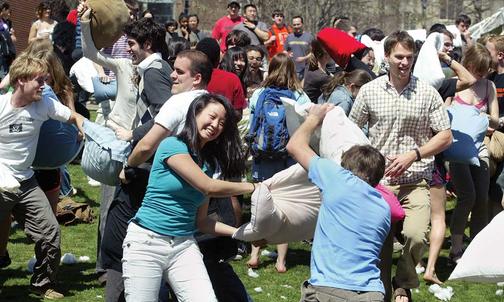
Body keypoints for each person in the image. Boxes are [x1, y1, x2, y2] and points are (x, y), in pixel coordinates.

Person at [349, 31, 452, 302]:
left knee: (417, 235)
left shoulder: (427, 92)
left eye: (409, 57)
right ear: (387, 57)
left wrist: (414, 154)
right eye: (399, 57)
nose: (404, 62)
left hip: (415, 179)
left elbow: (445, 135)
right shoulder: (370, 91)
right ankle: (380, 289)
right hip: (377, 183)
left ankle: (403, 281)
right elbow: (352, 129)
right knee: (379, 242)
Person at [122, 93, 253, 301]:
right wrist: (254, 187)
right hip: (147, 242)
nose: (215, 125)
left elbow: (202, 222)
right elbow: (207, 187)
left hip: (183, 245)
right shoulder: (172, 145)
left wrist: (239, 233)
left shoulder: (207, 165)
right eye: (212, 116)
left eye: (222, 123)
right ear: (196, 113)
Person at [0, 54, 85, 300]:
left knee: (50, 232)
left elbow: (73, 116)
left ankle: (42, 284)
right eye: (39, 80)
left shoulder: (44, 105)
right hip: (1, 182)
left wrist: (83, 127)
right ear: (21, 81)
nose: (44, 85)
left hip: (26, 183)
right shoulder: (2, 107)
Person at [287, 103, 390, 302]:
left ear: (344, 167)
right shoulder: (383, 207)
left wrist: (314, 118)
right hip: (371, 293)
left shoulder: (338, 179)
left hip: (329, 290)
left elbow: (294, 146)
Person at [246, 52, 311, 273]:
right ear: (293, 70)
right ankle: (281, 261)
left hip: (263, 157)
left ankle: (254, 254)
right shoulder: (298, 95)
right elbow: (308, 122)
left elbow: (251, 124)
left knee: (259, 203)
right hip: (287, 156)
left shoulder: (260, 93)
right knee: (284, 205)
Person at [446, 43, 499, 264]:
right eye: (479, 70)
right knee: (467, 197)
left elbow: (495, 119)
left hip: (480, 148)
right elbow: (441, 113)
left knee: (481, 200)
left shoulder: (489, 86)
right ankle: (455, 249)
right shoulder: (454, 84)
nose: (482, 75)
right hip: (457, 149)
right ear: (468, 64)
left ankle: (477, 250)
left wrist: (485, 119)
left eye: (486, 71)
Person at [486, 35, 504, 219]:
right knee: (490, 190)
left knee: (500, 187)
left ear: (500, 55)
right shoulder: (489, 79)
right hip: (490, 141)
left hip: (502, 140)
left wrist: (497, 122)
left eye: (487, 50)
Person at [285, 15, 313, 80]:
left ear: (302, 24)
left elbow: (314, 52)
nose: (296, 26)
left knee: (302, 89)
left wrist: (304, 58)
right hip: (291, 69)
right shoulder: (289, 37)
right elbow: (284, 50)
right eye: (294, 25)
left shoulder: (309, 37)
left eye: (298, 24)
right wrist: (287, 54)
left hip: (305, 69)